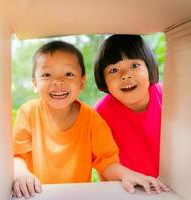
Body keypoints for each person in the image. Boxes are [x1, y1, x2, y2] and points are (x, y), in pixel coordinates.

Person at [12, 40, 167, 199]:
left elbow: (106, 162)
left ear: (82, 82)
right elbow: (17, 155)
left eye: (68, 74)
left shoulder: (91, 118)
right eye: (47, 75)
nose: (58, 81)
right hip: (36, 195)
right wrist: (21, 174)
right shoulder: (28, 112)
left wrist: (126, 174)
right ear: (35, 83)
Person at [94, 34, 166, 180]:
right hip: (128, 189)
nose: (125, 75)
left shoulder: (168, 96)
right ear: (104, 80)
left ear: (149, 67)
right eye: (113, 70)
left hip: (172, 185)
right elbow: (102, 163)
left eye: (134, 65)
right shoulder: (101, 113)